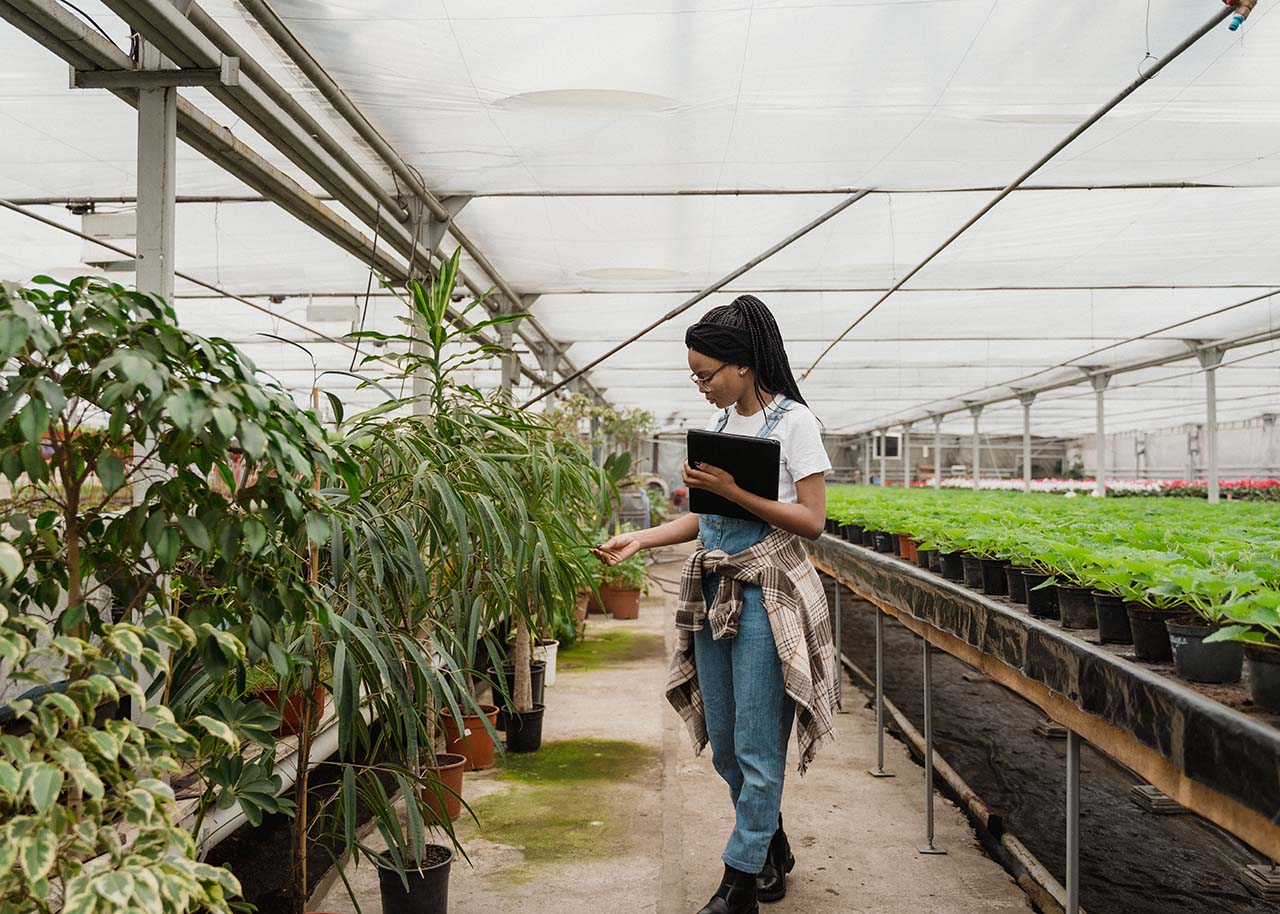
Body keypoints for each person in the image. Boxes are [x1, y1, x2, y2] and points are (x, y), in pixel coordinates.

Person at [596, 294, 838, 914]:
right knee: (727, 746)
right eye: (694, 375)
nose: (700, 385)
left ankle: (737, 886)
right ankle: (769, 846)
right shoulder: (726, 428)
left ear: (744, 366)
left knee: (759, 748)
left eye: (706, 374)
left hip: (765, 598)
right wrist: (642, 537)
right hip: (714, 593)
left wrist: (735, 489)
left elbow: (811, 520)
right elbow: (705, 520)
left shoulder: (794, 425)